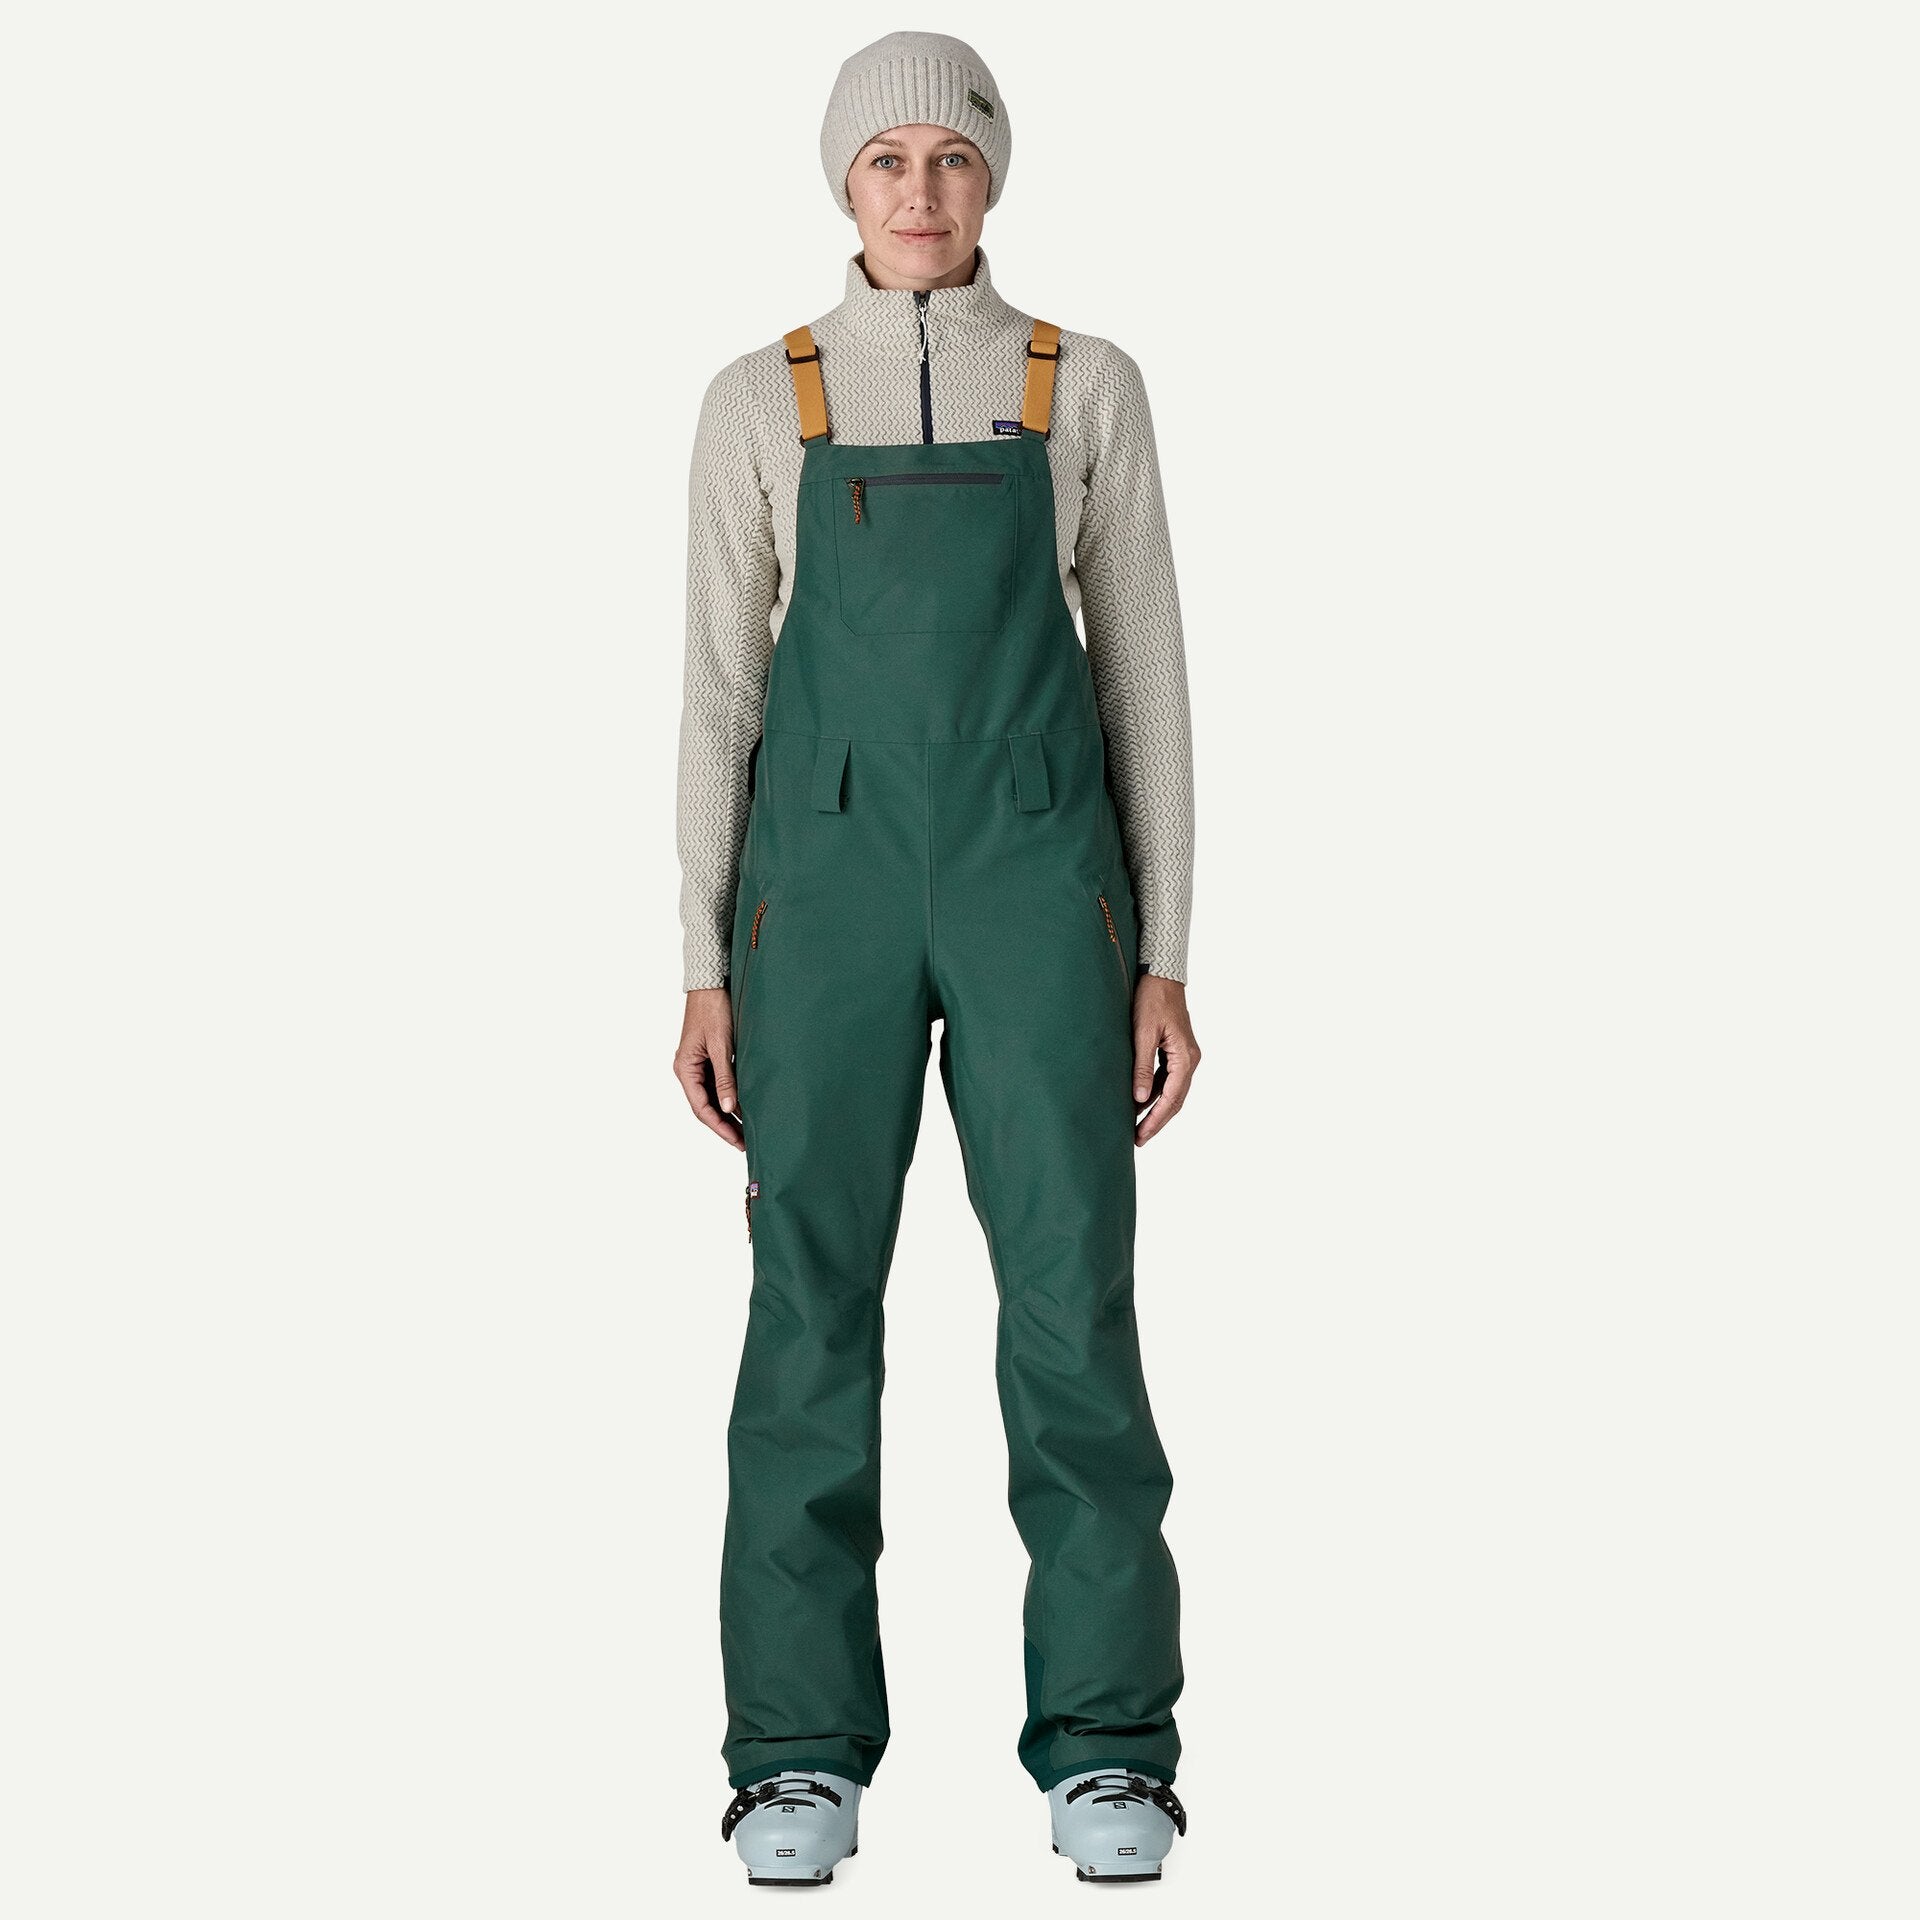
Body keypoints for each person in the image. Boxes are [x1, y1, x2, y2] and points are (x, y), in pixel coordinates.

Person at [671, 31, 1201, 1887]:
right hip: (813, 891)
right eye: (887, 158)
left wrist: (1167, 952)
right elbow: (718, 690)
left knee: (1073, 1302)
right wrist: (701, 962)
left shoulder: (1083, 383)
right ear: (844, 181)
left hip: (1041, 881)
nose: (921, 189)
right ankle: (793, 1758)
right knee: (808, 1307)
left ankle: (1110, 1746)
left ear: (994, 180)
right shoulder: (762, 395)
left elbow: (1146, 676)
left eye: (954, 157)